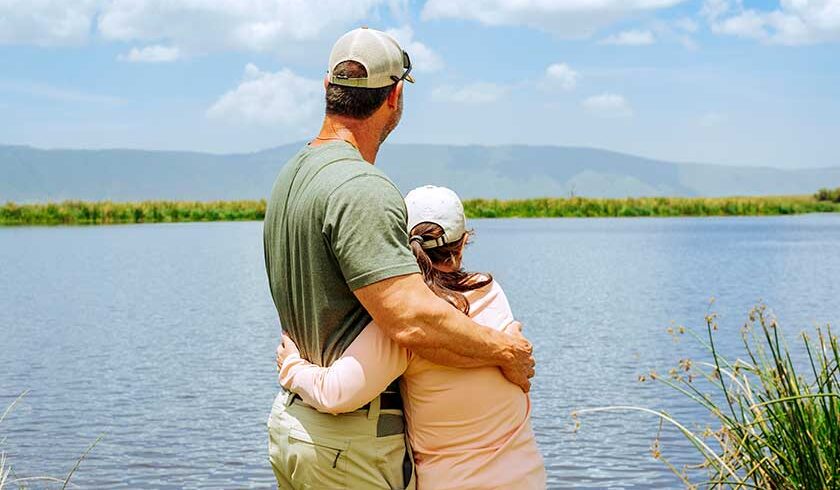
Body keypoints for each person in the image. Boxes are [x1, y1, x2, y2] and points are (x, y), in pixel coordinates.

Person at [263, 27, 535, 489]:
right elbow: (410, 320)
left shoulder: (291, 176)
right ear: (393, 98)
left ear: (328, 89)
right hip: (351, 446)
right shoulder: (363, 188)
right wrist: (505, 350)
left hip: (296, 429)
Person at [277, 185, 547, 490]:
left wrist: (292, 366)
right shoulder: (491, 291)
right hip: (527, 478)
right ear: (463, 244)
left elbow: (337, 394)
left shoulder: (407, 322)